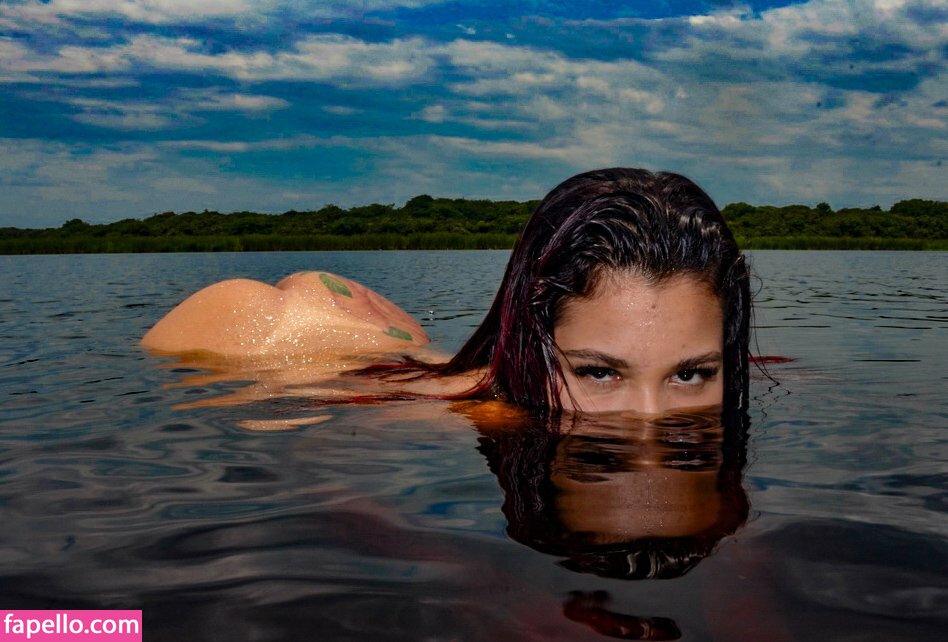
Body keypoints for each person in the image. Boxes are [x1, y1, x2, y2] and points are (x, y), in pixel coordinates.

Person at [142, 167, 751, 416]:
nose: (649, 422)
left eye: (690, 375)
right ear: (534, 339)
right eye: (598, 373)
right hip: (309, 337)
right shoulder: (462, 413)